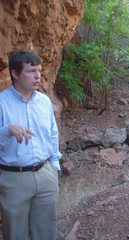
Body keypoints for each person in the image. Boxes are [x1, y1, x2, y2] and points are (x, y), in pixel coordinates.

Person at [0, 50, 61, 240]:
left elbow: (52, 134)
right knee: (15, 233)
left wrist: (54, 165)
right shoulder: (1, 102)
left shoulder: (44, 101)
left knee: (46, 231)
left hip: (45, 174)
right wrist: (7, 130)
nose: (38, 76)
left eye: (39, 71)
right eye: (31, 71)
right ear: (15, 73)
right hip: (13, 178)